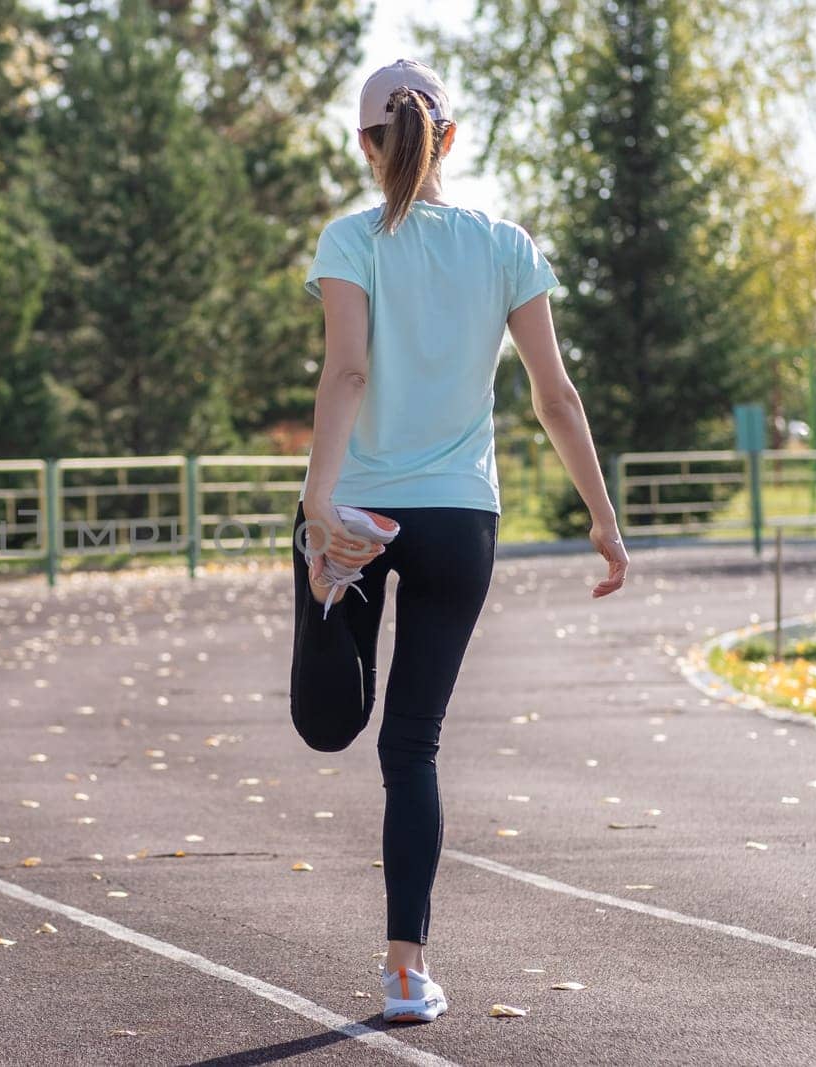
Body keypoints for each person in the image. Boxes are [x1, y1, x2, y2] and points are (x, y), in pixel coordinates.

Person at [288, 58, 630, 1025]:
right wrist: (602, 520)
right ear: (451, 137)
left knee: (327, 724)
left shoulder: (349, 240)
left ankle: (319, 585)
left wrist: (317, 506)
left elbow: (345, 375)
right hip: (458, 521)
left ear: (366, 145)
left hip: (356, 514)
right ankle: (405, 971)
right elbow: (554, 394)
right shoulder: (504, 244)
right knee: (413, 744)